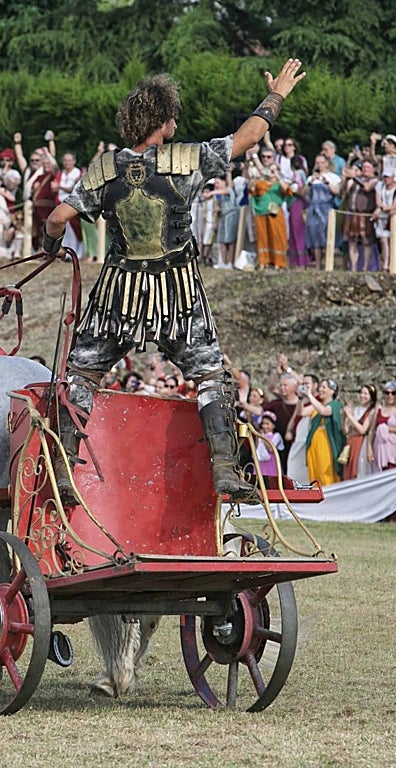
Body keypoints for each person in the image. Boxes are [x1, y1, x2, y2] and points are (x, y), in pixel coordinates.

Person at [42, 58, 307, 500]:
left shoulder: (104, 169)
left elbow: (56, 218)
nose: (176, 122)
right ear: (162, 122)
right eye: (172, 117)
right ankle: (224, 469)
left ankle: (65, 472)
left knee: (82, 375)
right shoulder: (188, 161)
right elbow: (252, 135)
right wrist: (276, 94)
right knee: (209, 376)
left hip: (118, 295)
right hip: (178, 293)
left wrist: (50, 246)